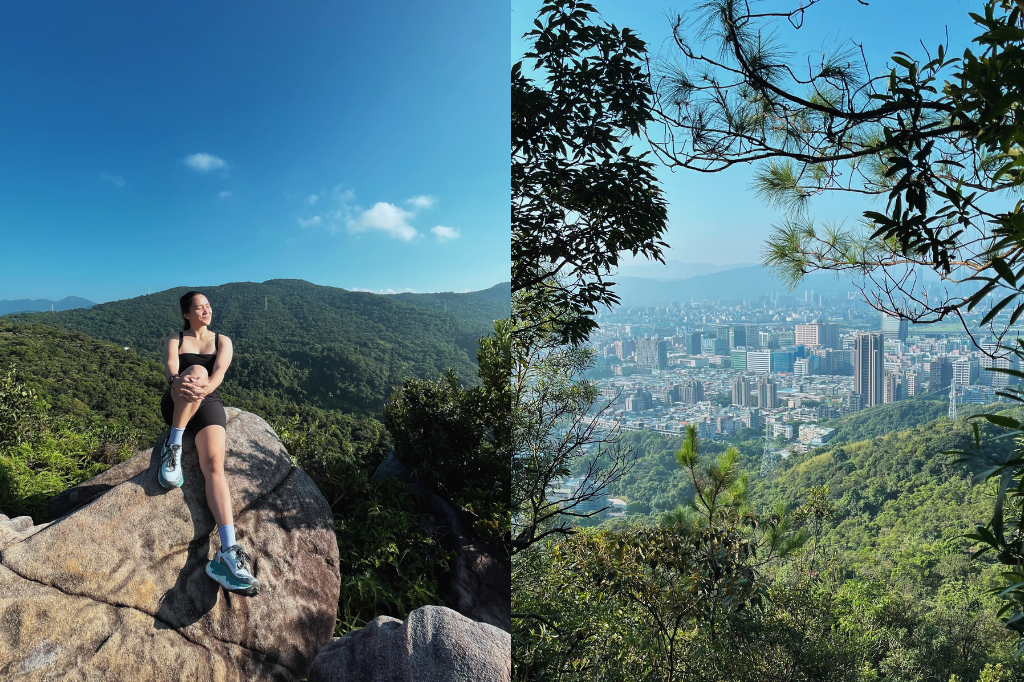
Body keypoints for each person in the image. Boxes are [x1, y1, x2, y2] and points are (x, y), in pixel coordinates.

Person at [158, 290, 259, 596]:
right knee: (196, 371)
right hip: (177, 399)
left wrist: (201, 390)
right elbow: (171, 372)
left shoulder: (222, 341)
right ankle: (173, 445)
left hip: (208, 400)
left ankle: (228, 552)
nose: (206, 311)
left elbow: (218, 376)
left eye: (208, 306)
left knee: (215, 465)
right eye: (199, 307)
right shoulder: (174, 339)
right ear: (186, 314)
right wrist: (184, 383)